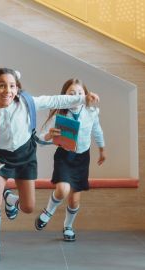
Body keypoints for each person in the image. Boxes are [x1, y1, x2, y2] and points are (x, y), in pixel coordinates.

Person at [0, 68, 99, 263]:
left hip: (25, 156)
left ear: (17, 89)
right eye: (2, 85)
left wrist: (83, 98)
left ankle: (11, 200)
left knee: (28, 207)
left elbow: (55, 100)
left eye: (12, 86)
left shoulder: (27, 103)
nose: (7, 90)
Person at [34, 78, 105, 242]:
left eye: (80, 93)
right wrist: (49, 136)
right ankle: (48, 212)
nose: (76, 96)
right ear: (64, 96)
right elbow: (40, 140)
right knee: (63, 190)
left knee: (74, 200)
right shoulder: (60, 114)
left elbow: (97, 130)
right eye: (71, 93)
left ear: (86, 95)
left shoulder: (91, 112)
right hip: (64, 156)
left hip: (82, 158)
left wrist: (102, 149)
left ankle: (68, 226)